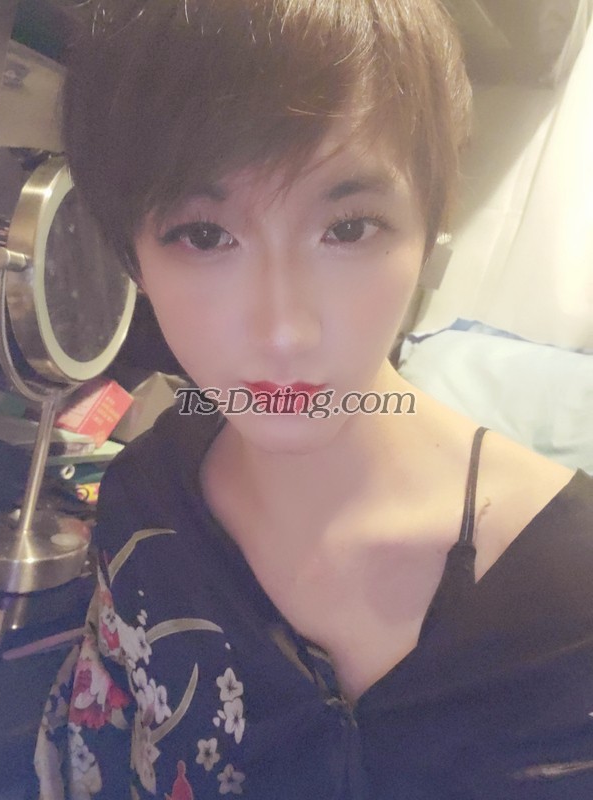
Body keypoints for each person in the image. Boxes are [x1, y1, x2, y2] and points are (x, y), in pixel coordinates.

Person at [35, 1, 593, 798]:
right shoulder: (143, 506)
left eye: (350, 228)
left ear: (428, 230)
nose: (284, 330)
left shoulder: (573, 598)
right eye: (204, 235)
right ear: (134, 260)